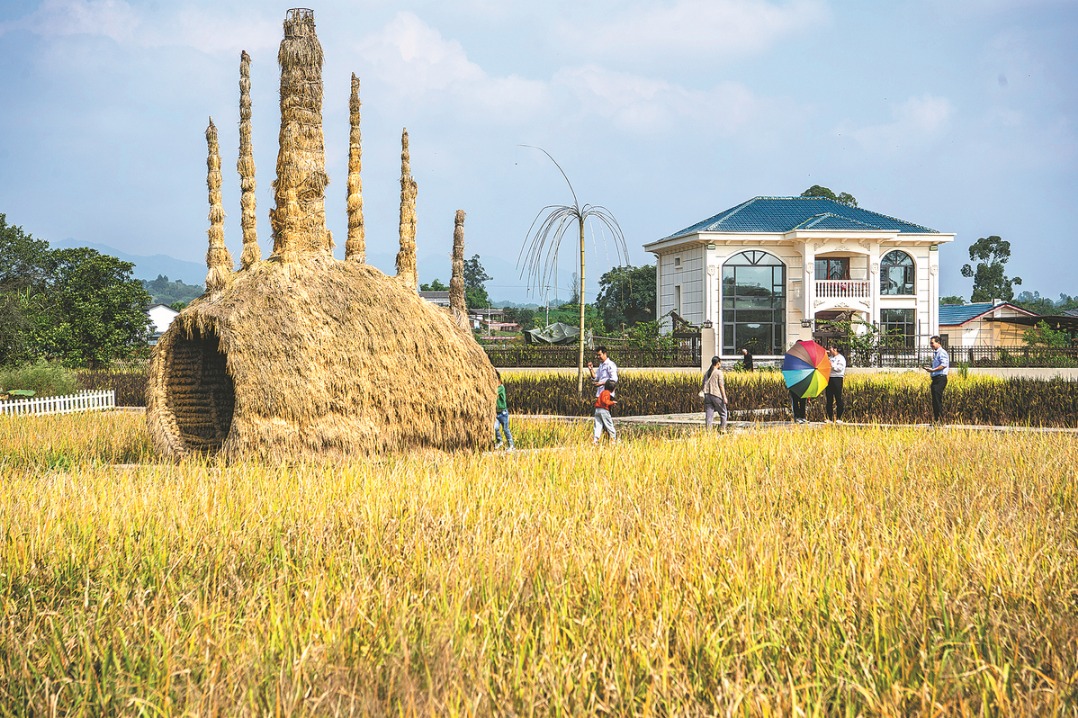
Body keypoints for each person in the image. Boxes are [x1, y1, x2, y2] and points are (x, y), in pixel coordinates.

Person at [923, 335, 949, 423]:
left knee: (937, 399)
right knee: (934, 399)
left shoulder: (942, 352)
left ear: (938, 343)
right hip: (935, 378)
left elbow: (944, 365)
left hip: (940, 378)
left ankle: (940, 419)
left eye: (932, 343)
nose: (931, 345)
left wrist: (933, 370)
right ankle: (936, 419)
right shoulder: (936, 353)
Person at [702, 355, 729, 432]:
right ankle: (722, 429)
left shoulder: (707, 372)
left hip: (707, 395)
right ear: (718, 363)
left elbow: (703, 384)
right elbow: (721, 385)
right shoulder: (718, 372)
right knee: (723, 412)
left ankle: (708, 431)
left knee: (709, 415)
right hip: (716, 394)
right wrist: (724, 397)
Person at [824, 344, 846, 424]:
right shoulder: (830, 358)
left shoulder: (841, 358)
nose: (829, 351)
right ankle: (829, 417)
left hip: (837, 378)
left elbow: (839, 368)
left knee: (838, 398)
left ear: (835, 349)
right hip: (829, 378)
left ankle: (839, 417)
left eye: (831, 350)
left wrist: (831, 365)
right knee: (829, 399)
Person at [494, 370, 514, 451]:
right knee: (495, 428)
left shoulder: (501, 388)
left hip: (503, 413)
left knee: (506, 429)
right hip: (497, 414)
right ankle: (499, 440)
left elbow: (494, 392)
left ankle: (511, 445)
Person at [593, 379, 618, 444]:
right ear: (613, 389)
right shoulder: (607, 393)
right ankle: (613, 439)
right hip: (604, 410)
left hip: (597, 410)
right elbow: (605, 401)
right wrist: (612, 402)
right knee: (609, 424)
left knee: (598, 425)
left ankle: (595, 440)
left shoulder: (602, 392)